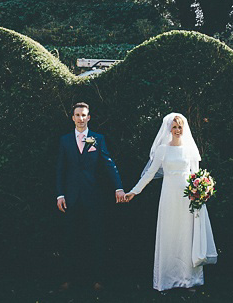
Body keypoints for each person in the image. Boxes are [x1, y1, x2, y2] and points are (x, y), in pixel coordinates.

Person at [125, 112, 217, 291]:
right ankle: (166, 280)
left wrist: (200, 192)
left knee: (186, 236)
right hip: (168, 197)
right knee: (169, 235)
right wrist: (134, 191)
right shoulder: (162, 150)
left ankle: (189, 280)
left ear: (184, 129)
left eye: (180, 127)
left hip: (187, 198)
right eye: (174, 127)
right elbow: (150, 174)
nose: (177, 130)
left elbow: (195, 174)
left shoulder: (190, 150)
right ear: (169, 129)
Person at [55, 102, 125, 291]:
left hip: (92, 196)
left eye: (84, 115)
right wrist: (60, 194)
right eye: (77, 115)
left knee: (96, 238)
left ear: (89, 117)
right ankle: (68, 279)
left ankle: (98, 280)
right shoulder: (65, 140)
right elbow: (60, 169)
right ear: (72, 118)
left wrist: (118, 187)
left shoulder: (96, 139)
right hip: (70, 198)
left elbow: (108, 164)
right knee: (69, 238)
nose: (80, 118)